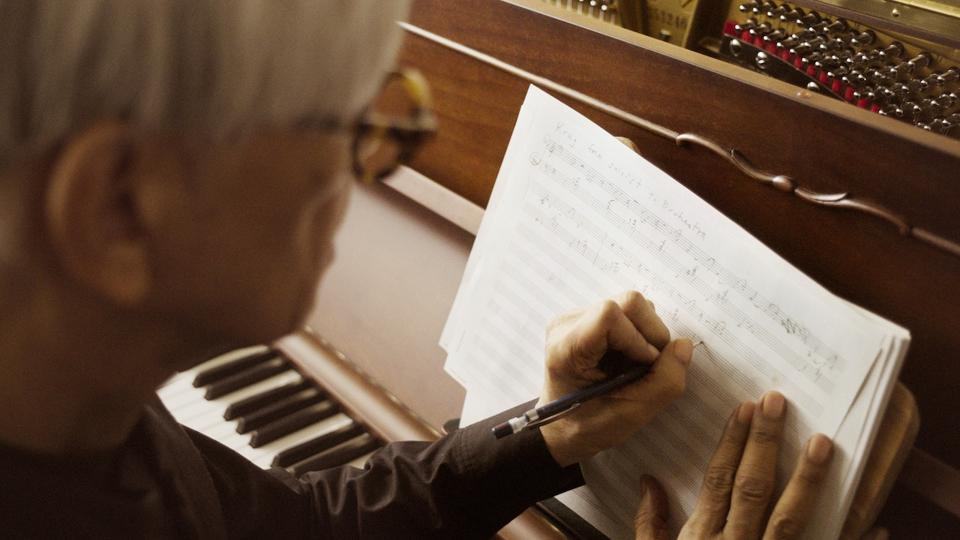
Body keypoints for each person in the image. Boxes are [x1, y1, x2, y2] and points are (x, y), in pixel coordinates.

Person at [0, 1, 842, 538]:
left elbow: (283, 528)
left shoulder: (67, 410)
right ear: (117, 208)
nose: (375, 171)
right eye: (342, 119)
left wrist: (545, 438)